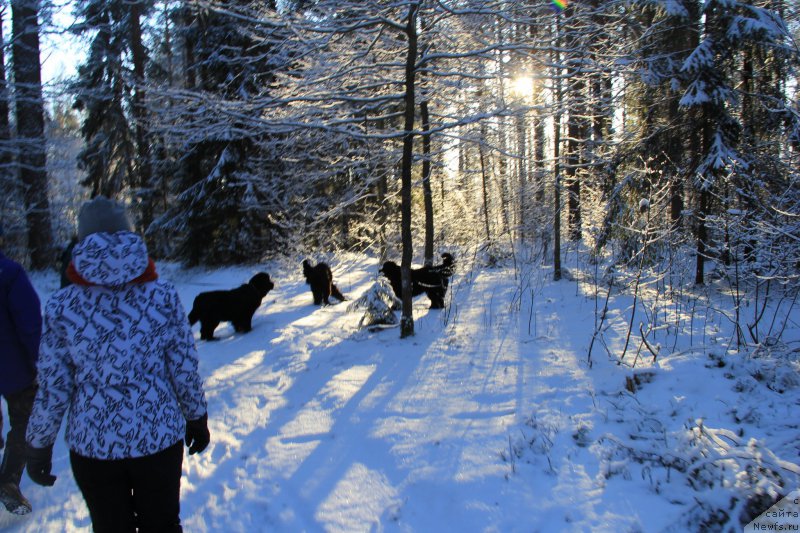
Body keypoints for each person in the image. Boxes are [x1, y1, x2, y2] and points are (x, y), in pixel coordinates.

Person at [25, 196, 210, 532]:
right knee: (163, 525)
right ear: (129, 235)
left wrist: (39, 444)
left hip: (94, 446)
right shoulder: (162, 295)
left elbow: (54, 386)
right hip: (158, 439)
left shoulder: (62, 306)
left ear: (81, 241)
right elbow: (182, 365)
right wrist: (196, 417)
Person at [0, 222, 42, 515]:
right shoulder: (10, 275)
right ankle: (9, 481)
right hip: (13, 368)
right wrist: (39, 362)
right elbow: (30, 326)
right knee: (24, 421)